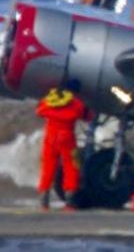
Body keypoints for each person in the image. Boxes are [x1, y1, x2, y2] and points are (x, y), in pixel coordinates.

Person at [36, 79, 91, 210]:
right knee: (71, 166)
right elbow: (88, 116)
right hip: (66, 137)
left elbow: (39, 110)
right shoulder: (76, 103)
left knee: (48, 167)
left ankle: (44, 199)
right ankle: (70, 199)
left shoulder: (50, 99)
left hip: (50, 137)